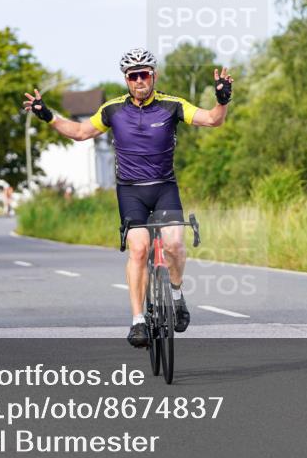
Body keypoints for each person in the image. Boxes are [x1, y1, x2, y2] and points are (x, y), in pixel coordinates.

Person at [24, 47, 233, 347]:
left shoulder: (172, 106)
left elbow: (213, 120)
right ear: (126, 79)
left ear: (153, 75)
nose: (139, 81)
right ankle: (137, 321)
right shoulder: (112, 110)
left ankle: (176, 294)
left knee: (174, 243)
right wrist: (48, 116)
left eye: (144, 74)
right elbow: (81, 132)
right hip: (131, 191)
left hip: (164, 187)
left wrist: (222, 100)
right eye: (133, 76)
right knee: (138, 248)